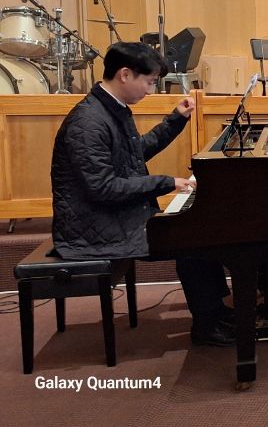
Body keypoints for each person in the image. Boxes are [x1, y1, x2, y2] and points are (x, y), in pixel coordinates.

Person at [51, 42, 234, 347]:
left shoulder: (109, 110)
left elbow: (134, 154)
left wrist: (176, 119)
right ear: (125, 74)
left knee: (196, 230)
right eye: (148, 82)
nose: (150, 90)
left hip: (113, 216)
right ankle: (207, 325)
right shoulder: (88, 122)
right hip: (93, 227)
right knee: (191, 238)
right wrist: (165, 182)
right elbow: (103, 188)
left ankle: (215, 313)